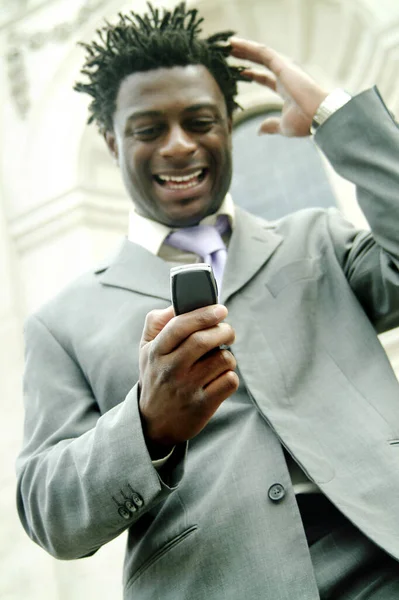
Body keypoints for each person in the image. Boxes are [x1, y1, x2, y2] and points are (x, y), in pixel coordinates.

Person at [16, 3, 399, 599]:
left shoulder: (318, 239)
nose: (178, 146)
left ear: (228, 123)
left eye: (201, 121)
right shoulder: (60, 323)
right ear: (111, 140)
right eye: (149, 129)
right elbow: (48, 512)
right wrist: (146, 427)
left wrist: (334, 116)